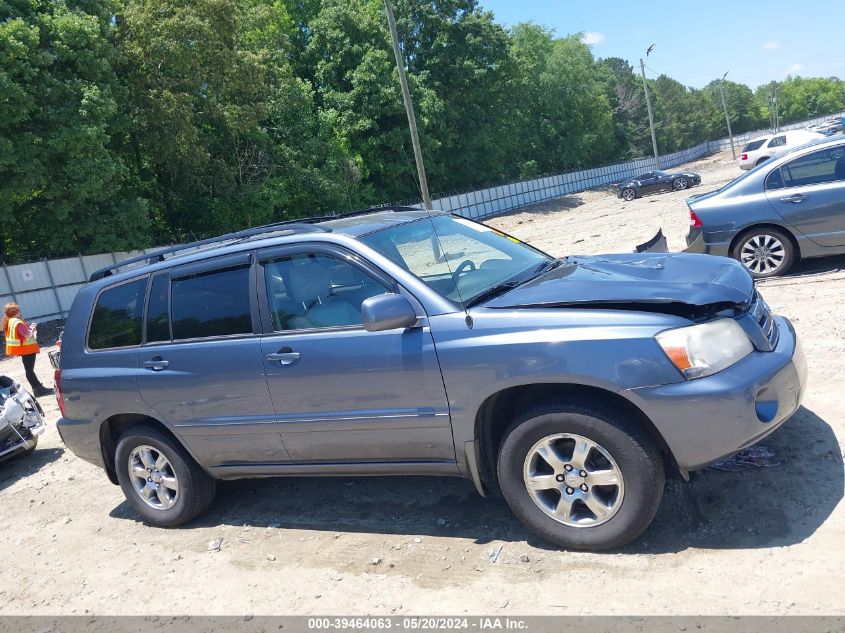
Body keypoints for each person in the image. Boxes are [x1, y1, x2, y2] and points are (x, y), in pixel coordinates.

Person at [3, 302, 54, 397]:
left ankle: (38, 387)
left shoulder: (10, 321)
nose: (20, 311)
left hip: (23, 349)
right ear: (15, 312)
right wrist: (33, 328)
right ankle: (37, 389)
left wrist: (30, 328)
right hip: (27, 349)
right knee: (29, 370)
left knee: (29, 370)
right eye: (18, 310)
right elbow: (27, 335)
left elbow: (23, 333)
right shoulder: (17, 322)